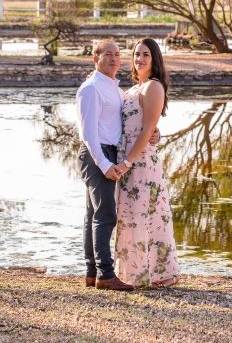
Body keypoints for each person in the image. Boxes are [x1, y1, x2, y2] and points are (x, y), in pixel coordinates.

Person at [76, 39, 159, 291]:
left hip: (111, 153)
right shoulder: (91, 89)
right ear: (95, 59)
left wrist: (156, 133)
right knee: (105, 215)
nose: (114, 59)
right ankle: (105, 274)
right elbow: (88, 133)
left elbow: (133, 121)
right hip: (97, 154)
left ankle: (92, 273)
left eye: (117, 54)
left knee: (93, 215)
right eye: (107, 54)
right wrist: (103, 164)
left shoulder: (114, 89)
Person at [114, 38, 180, 288]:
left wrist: (128, 162)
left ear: (154, 60)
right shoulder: (132, 89)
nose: (139, 59)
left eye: (145, 55)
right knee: (129, 217)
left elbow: (147, 129)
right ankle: (133, 272)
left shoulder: (153, 87)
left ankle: (157, 274)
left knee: (145, 215)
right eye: (136, 54)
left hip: (140, 163)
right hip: (126, 158)